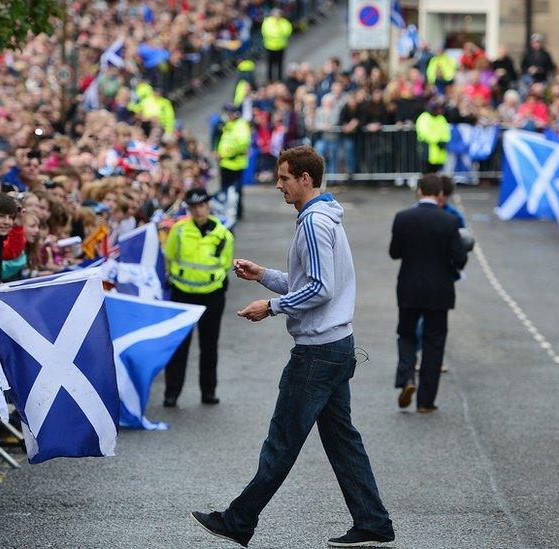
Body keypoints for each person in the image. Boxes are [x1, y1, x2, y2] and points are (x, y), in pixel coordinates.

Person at [191, 146, 394, 548]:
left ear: (306, 179)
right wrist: (265, 275)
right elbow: (312, 282)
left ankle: (238, 520)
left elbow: (320, 288)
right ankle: (372, 521)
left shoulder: (314, 223)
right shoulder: (322, 217)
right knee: (342, 440)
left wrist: (270, 307)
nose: (278, 185)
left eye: (284, 178)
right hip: (336, 345)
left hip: (318, 352)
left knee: (282, 441)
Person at [389, 174, 468, 412]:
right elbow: (460, 259)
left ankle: (407, 378)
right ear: (440, 193)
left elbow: (395, 252)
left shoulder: (403, 217)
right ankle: (426, 402)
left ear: (420, 191)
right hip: (439, 290)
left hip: (409, 286)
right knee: (434, 342)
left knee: (406, 334)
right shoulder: (449, 222)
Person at [162, 188, 234, 407]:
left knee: (209, 345)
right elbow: (169, 257)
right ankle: (172, 392)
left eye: (201, 205)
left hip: (212, 296)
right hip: (182, 294)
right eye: (193, 207)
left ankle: (208, 391)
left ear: (208, 206)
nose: (197, 210)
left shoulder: (223, 234)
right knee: (178, 346)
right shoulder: (180, 230)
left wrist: (219, 283)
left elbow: (225, 263)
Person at [216, 104, 252, 220]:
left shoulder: (241, 125)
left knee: (235, 190)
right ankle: (226, 210)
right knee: (225, 190)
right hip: (225, 163)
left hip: (235, 164)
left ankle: (236, 213)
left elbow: (242, 144)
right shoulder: (229, 124)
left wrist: (226, 153)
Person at [415, 97, 452, 174]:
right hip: (427, 149)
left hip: (439, 152)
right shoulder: (424, 117)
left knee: (436, 172)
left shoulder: (441, 118)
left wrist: (444, 140)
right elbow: (424, 132)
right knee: (426, 171)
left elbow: (445, 131)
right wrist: (437, 140)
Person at [261, 8, 292, 82]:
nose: (277, 16)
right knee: (270, 65)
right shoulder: (267, 22)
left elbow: (288, 31)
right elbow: (267, 32)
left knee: (280, 64)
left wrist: (277, 32)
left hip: (280, 47)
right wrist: (278, 33)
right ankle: (270, 79)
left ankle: (279, 79)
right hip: (270, 47)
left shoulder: (284, 22)